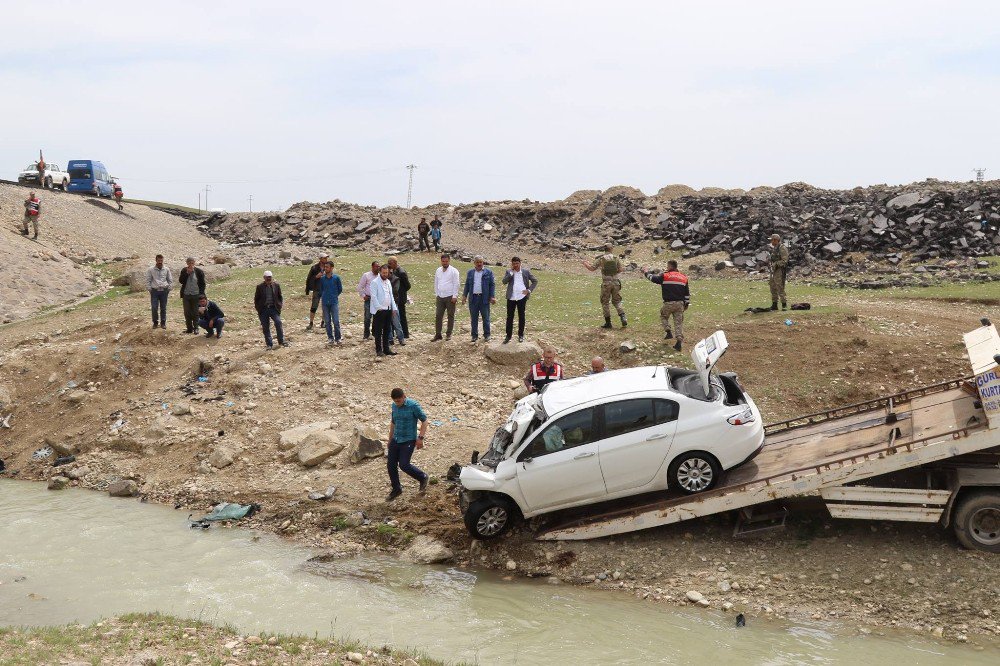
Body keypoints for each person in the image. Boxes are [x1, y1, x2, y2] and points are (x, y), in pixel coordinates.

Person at [385, 387, 429, 501]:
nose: (397, 403)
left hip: (408, 440)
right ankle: (396, 489)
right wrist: (390, 439)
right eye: (395, 401)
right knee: (390, 465)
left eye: (399, 401)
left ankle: (422, 477)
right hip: (396, 439)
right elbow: (393, 422)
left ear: (404, 396)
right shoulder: (394, 406)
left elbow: (424, 421)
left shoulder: (413, 406)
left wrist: (420, 438)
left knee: (404, 465)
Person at [642, 260, 690, 352]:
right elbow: (687, 293)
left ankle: (668, 331)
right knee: (678, 323)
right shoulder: (684, 277)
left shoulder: (665, 276)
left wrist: (646, 272)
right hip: (680, 304)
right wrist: (686, 304)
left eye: (667, 266)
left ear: (670, 266)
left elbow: (653, 279)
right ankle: (679, 343)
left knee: (663, 316)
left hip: (668, 303)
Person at [583, 244, 627, 329]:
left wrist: (585, 263)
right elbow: (621, 269)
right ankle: (623, 316)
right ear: (611, 249)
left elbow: (592, 268)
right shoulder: (616, 258)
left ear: (604, 249)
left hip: (606, 284)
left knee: (605, 302)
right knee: (617, 301)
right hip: (616, 283)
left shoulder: (601, 259)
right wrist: (614, 273)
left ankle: (608, 323)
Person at [502, 257, 538, 343]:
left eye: (517, 263)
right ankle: (508, 336)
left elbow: (535, 281)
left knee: (521, 316)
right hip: (511, 297)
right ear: (512, 264)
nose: (515, 265)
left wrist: (528, 290)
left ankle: (521, 335)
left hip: (522, 297)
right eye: (514, 263)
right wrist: (510, 274)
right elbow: (504, 281)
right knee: (509, 317)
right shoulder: (509, 272)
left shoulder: (525, 272)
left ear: (520, 263)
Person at [461, 255, 496, 342]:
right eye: (477, 262)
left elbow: (492, 285)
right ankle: (474, 335)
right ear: (474, 263)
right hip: (473, 298)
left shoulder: (488, 272)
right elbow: (467, 285)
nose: (479, 264)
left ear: (483, 262)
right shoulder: (470, 272)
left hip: (484, 298)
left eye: (481, 262)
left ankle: (487, 335)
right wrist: (464, 295)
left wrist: (492, 296)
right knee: (474, 318)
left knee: (486, 317)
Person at [370, 264, 398, 358]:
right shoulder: (375, 282)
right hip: (379, 311)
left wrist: (394, 308)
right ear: (380, 272)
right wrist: (379, 308)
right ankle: (379, 350)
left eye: (387, 273)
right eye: (384, 273)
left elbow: (391, 296)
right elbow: (373, 297)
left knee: (387, 330)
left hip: (388, 309)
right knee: (378, 331)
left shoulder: (388, 282)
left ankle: (386, 349)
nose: (385, 274)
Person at [253, 270, 287, 350]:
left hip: (273, 308)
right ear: (264, 278)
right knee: (265, 327)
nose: (269, 279)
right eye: (267, 277)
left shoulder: (276, 285)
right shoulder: (259, 287)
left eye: (270, 277)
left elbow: (280, 297)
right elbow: (256, 299)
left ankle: (281, 341)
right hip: (263, 309)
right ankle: (269, 344)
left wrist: (279, 306)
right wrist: (259, 309)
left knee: (278, 322)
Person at [432, 254, 460, 341]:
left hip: (450, 296)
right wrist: (437, 293)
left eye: (446, 261)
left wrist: (454, 296)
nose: (445, 263)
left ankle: (448, 334)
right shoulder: (438, 270)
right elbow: (436, 282)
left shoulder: (454, 271)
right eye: (443, 261)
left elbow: (456, 284)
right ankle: (438, 334)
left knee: (450, 315)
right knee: (438, 315)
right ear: (441, 261)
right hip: (440, 296)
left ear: (449, 261)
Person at [178, 257, 206, 334]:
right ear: (187, 263)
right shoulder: (184, 270)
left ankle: (196, 328)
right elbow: (181, 281)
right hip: (186, 295)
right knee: (187, 312)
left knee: (195, 312)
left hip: (196, 295)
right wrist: (187, 273)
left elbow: (202, 284)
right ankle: (189, 328)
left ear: (194, 263)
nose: (191, 264)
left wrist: (201, 294)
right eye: (189, 263)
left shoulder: (199, 272)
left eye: (192, 263)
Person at [318, 261, 343, 345]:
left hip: (334, 302)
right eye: (325, 267)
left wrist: (334, 295)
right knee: (327, 322)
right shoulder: (322, 279)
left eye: (327, 267)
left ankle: (338, 338)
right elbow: (320, 290)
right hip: (325, 303)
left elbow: (340, 289)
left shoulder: (336, 278)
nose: (325, 269)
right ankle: (330, 338)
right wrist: (324, 296)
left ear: (332, 268)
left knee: (336, 321)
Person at [145, 254, 172, 329]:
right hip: (155, 291)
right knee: (154, 307)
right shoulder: (151, 269)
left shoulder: (166, 269)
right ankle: (155, 323)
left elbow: (170, 280)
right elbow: (148, 280)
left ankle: (163, 323)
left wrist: (169, 289)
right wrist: (150, 289)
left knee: (163, 308)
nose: (160, 262)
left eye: (161, 260)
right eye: (158, 260)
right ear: (156, 260)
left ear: (163, 260)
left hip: (164, 291)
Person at [387, 257, 411, 339]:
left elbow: (408, 285)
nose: (389, 265)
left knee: (401, 315)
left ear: (395, 263)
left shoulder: (401, 272)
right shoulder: (393, 271)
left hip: (400, 297)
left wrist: (401, 291)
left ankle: (405, 333)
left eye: (390, 263)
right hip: (395, 297)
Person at [305, 253, 330, 331]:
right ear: (320, 259)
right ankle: (311, 323)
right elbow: (309, 279)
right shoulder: (314, 268)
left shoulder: (328, 267)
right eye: (324, 258)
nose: (326, 259)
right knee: (314, 306)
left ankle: (323, 322)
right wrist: (316, 276)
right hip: (317, 289)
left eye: (326, 258)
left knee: (325, 306)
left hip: (325, 289)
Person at [357, 261, 380, 340]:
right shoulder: (366, 275)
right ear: (372, 267)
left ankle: (375, 333)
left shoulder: (380, 276)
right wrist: (363, 295)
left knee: (377, 317)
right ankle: (366, 334)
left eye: (378, 266)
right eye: (376, 266)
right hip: (369, 299)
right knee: (367, 317)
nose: (378, 268)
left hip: (377, 299)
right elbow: (359, 287)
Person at [768, 233, 789, 311]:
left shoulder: (782, 248)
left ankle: (784, 304)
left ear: (776, 240)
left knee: (780, 287)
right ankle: (774, 305)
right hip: (774, 270)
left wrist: (776, 264)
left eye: (772, 240)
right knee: (772, 287)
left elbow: (784, 260)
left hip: (779, 270)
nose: (771, 242)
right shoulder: (774, 248)